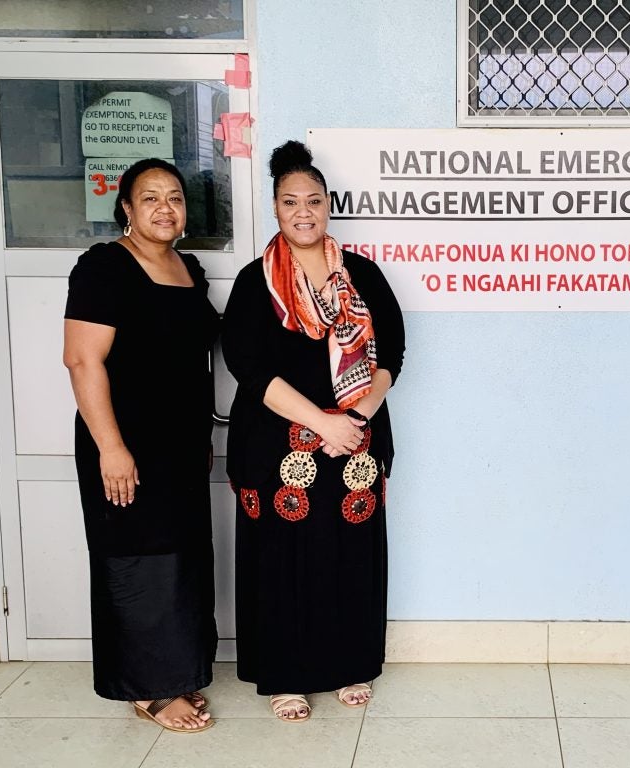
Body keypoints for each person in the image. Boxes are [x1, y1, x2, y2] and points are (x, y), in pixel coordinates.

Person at [222, 140, 405, 721]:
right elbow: (247, 366)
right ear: (274, 208)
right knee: (282, 559)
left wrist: (353, 420)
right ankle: (286, 674)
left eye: (314, 201)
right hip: (278, 442)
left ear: (329, 206)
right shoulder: (257, 282)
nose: (303, 211)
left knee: (349, 551)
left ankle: (349, 663)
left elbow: (392, 354)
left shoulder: (364, 275)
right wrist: (319, 420)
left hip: (354, 441)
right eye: (289, 201)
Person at [63, 158, 219, 733]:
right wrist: (111, 447)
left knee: (179, 560)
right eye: (149, 197)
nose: (164, 208)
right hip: (123, 445)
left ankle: (178, 674)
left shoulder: (188, 268)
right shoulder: (105, 268)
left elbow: (189, 361)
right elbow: (82, 359)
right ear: (126, 207)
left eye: (175, 198)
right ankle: (147, 690)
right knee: (136, 560)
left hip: (179, 448)